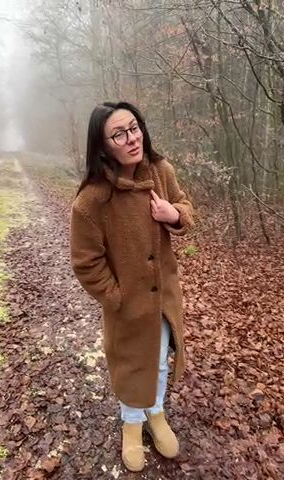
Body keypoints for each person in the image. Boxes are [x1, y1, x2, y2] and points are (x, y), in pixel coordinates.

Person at [69, 101, 195, 472]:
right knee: (130, 364)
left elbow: (185, 205)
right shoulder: (91, 201)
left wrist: (173, 214)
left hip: (164, 298)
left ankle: (155, 413)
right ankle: (132, 424)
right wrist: (118, 298)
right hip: (126, 306)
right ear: (103, 145)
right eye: (119, 134)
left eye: (134, 127)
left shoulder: (161, 171)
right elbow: (86, 263)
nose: (132, 138)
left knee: (158, 361)